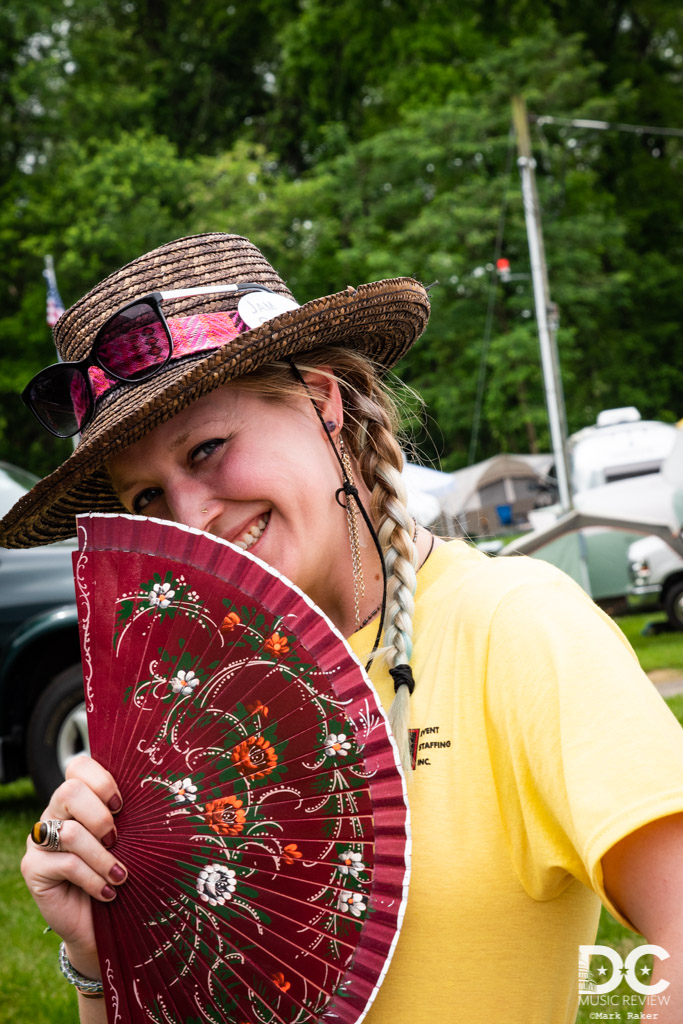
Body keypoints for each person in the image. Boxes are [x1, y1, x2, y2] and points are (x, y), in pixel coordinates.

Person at [5, 232, 683, 1024]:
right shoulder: (190, 715)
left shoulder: (512, 629)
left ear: (322, 402)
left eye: (208, 448)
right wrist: (98, 957)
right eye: (147, 498)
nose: (192, 520)